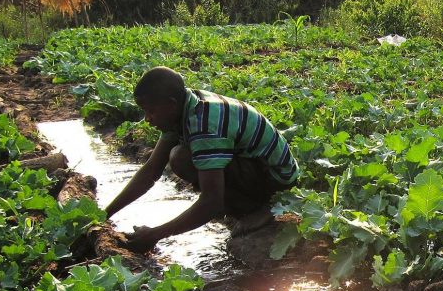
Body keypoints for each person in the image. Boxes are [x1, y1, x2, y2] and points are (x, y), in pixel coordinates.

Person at [106, 67, 299, 252]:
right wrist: (105, 214)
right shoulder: (182, 109)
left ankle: (262, 208)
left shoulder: (204, 122)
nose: (147, 119)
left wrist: (155, 234)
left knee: (181, 158)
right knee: (181, 156)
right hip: (252, 167)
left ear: (171, 105)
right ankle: (247, 207)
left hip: (275, 180)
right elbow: (151, 171)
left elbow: (211, 202)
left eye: (151, 111)